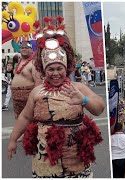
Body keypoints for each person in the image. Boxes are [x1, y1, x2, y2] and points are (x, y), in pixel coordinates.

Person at [7, 18, 105, 178]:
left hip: (77, 160)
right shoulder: (36, 92)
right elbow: (25, 116)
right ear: (44, 71)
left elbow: (99, 108)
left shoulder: (78, 88)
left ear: (66, 69)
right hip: (45, 160)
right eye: (50, 69)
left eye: (59, 68)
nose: (55, 73)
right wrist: (12, 140)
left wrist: (84, 100)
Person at [11, 42, 42, 119]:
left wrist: (34, 98)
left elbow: (38, 82)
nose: (24, 49)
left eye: (26, 48)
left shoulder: (34, 63)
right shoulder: (19, 62)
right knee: (19, 120)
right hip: (16, 98)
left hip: (28, 98)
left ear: (31, 50)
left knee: (29, 120)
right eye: (22, 48)